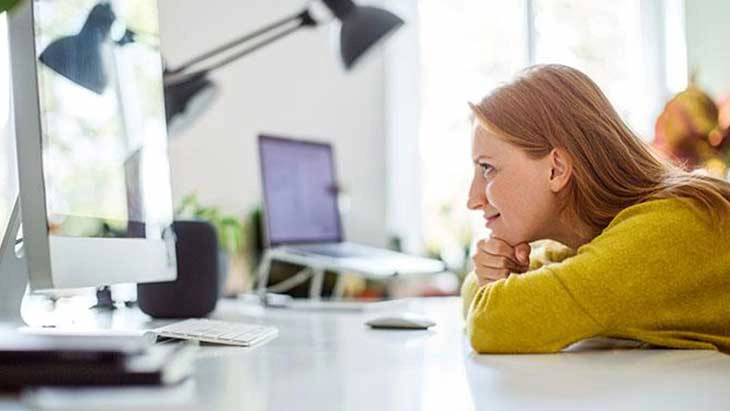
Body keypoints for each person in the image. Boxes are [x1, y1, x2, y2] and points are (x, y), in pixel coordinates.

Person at [461, 64, 730, 354]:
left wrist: (495, 288)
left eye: (487, 168)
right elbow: (476, 301)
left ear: (556, 170)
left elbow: (494, 323)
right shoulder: (594, 239)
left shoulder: (665, 230)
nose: (472, 199)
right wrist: (494, 276)